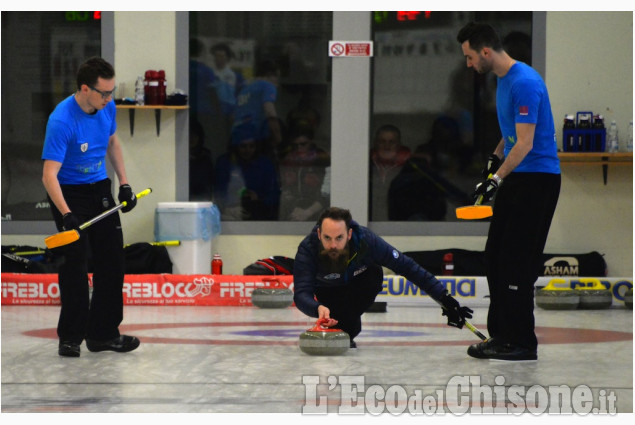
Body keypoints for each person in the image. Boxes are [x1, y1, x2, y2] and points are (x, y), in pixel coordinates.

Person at [457, 22, 561, 361]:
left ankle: (521, 342)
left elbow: (527, 143)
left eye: (470, 57)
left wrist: (495, 179)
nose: (469, 64)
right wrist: (494, 159)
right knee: (495, 258)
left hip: (537, 181)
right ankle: (500, 335)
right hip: (517, 177)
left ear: (486, 52)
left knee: (517, 262)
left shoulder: (526, 83)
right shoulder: (502, 82)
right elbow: (513, 134)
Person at [41, 57, 140, 357]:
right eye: (104, 93)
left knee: (112, 261)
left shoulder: (106, 107)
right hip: (68, 193)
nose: (109, 99)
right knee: (74, 265)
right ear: (85, 89)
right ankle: (70, 337)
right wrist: (66, 213)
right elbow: (48, 175)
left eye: (111, 92)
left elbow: (113, 143)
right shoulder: (61, 120)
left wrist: (124, 184)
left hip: (99, 188)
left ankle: (103, 334)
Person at [293, 207, 473, 347]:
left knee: (373, 275)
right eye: (327, 238)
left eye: (339, 238)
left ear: (349, 234)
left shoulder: (367, 241)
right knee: (343, 329)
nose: (333, 245)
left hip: (359, 285)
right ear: (318, 234)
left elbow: (408, 267)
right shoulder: (307, 249)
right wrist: (317, 308)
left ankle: (348, 324)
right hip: (327, 291)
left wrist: (445, 299)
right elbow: (301, 294)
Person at [214, 123, 280, 220]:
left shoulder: (265, 164)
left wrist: (259, 200)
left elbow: (274, 194)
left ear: (257, 145)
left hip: (261, 214)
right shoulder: (225, 163)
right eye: (243, 146)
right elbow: (219, 192)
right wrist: (232, 203)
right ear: (235, 146)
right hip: (231, 214)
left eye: (251, 146)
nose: (247, 150)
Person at [231, 59, 282, 156]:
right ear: (269, 74)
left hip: (237, 138)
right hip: (256, 140)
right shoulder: (267, 85)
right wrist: (278, 138)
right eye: (277, 77)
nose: (277, 83)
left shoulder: (244, 89)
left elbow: (233, 116)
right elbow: (270, 112)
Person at [279, 127, 330, 221]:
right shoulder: (289, 159)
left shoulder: (321, 159)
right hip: (292, 210)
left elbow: (328, 192)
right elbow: (283, 188)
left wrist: (308, 211)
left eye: (303, 144)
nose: (299, 148)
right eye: (295, 145)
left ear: (311, 142)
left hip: (317, 210)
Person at [369, 125, 411, 221]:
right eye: (382, 141)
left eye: (391, 142)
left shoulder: (411, 170)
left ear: (399, 145)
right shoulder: (363, 167)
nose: (387, 146)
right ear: (375, 144)